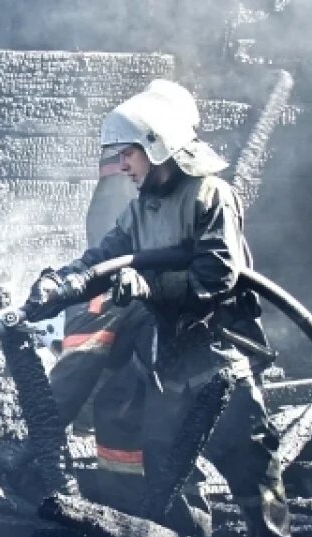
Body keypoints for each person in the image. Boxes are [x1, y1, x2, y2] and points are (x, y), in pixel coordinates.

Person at [23, 83, 297, 537]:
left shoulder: (210, 195)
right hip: (167, 357)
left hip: (217, 352)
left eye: (128, 153)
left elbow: (217, 276)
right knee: (171, 461)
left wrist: (149, 283)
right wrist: (56, 285)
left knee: (249, 454)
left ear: (157, 144)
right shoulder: (140, 206)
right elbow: (100, 261)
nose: (123, 164)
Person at [50, 80, 197, 514]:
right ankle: (130, 509)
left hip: (149, 309)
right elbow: (112, 243)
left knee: (151, 407)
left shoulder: (189, 193)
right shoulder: (137, 181)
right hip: (122, 299)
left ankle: (150, 511)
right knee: (123, 398)